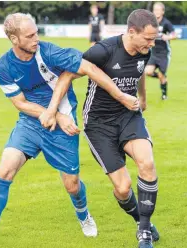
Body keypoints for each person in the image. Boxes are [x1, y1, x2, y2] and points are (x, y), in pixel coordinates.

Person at [0, 13, 139, 247]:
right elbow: (20, 103)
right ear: (15, 40)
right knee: (5, 171)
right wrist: (53, 115)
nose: (37, 38)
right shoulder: (3, 66)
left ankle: (84, 215)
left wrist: (120, 96)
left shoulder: (49, 52)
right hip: (30, 124)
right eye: (30, 35)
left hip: (62, 129)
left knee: (72, 185)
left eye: (36, 32)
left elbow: (90, 69)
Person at [41, 9, 160, 248]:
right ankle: (139, 219)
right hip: (98, 124)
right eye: (148, 38)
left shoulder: (144, 51)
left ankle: (144, 232)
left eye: (154, 38)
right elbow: (66, 75)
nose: (152, 42)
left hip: (129, 116)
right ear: (131, 32)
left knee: (147, 164)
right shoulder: (103, 51)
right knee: (123, 189)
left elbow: (139, 74)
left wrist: (143, 99)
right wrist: (52, 110)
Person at [145, 2, 176, 100]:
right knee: (148, 72)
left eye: (158, 10)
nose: (156, 12)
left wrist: (168, 36)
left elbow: (175, 35)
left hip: (164, 53)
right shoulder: (150, 23)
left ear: (162, 12)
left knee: (162, 75)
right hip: (153, 53)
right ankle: (160, 76)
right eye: (155, 10)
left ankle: (164, 95)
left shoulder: (166, 23)